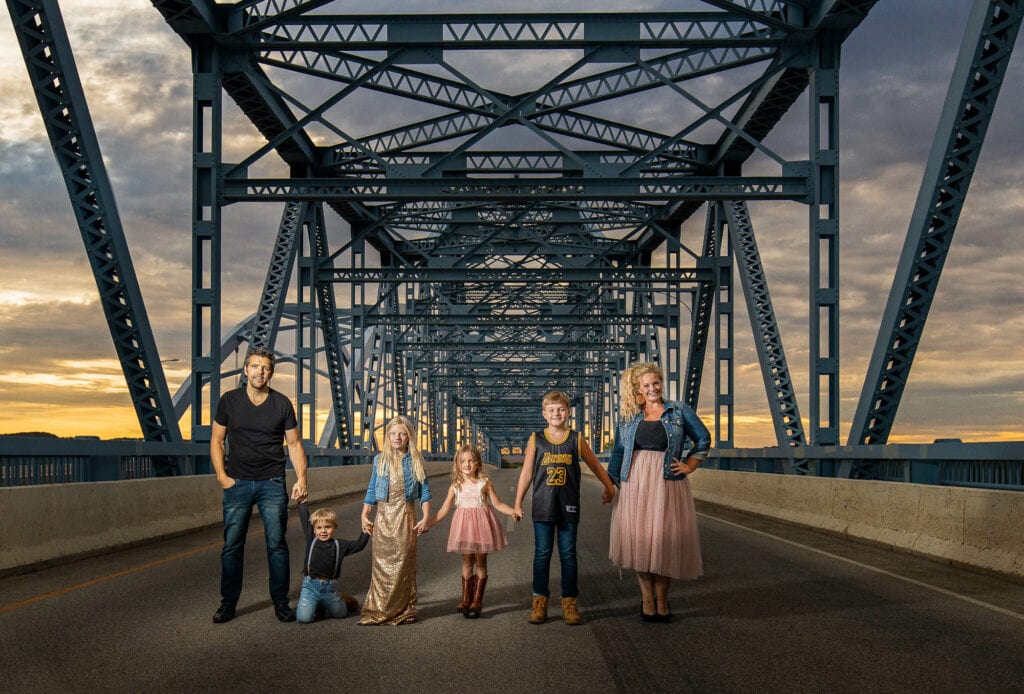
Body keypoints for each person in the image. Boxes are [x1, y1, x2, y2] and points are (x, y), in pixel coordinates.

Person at [210, 346, 308, 624]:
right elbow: (217, 441)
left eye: (265, 368)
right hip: (237, 482)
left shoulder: (281, 404)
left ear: (271, 373)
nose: (260, 372)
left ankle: (280, 603)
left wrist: (302, 478)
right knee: (232, 545)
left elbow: (295, 444)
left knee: (276, 544)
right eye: (255, 366)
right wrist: (222, 476)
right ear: (245, 370)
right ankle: (228, 603)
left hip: (272, 482)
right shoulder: (229, 401)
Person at [607, 361, 711, 623]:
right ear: (638, 389)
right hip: (634, 481)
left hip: (667, 481)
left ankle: (662, 599)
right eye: (646, 385)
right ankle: (646, 599)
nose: (652, 388)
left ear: (661, 383)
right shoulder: (629, 417)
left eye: (656, 383)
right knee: (640, 541)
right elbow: (619, 452)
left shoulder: (678, 411)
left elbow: (704, 438)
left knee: (664, 542)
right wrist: (610, 484)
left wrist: (689, 465)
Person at [513, 390, 616, 626]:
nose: (556, 413)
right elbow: (527, 473)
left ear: (568, 412)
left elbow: (596, 465)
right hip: (542, 506)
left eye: (560, 409)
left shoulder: (576, 439)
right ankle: (539, 601)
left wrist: (609, 486)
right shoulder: (536, 439)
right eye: (551, 410)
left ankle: (569, 601)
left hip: (568, 506)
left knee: (568, 555)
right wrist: (517, 503)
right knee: (542, 554)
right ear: (544, 414)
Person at [358, 415, 432, 625]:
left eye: (402, 433)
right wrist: (365, 514)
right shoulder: (379, 460)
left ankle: (405, 610)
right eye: (393, 433)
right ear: (387, 436)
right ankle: (379, 609)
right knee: (381, 565)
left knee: (404, 565)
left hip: (406, 517)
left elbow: (425, 493)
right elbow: (372, 489)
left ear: (409, 437)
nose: (397, 437)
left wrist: (426, 517)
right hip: (383, 518)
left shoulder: (417, 460)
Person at [428, 444, 515, 618]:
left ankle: (477, 601)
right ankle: (465, 599)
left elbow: (497, 504)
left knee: (481, 562)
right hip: (464, 528)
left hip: (483, 527)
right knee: (467, 561)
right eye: (463, 461)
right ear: (458, 464)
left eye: (471, 461)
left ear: (477, 463)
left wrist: (513, 511)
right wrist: (428, 524)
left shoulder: (485, 483)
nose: (467, 464)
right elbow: (444, 509)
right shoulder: (455, 486)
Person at [295, 502, 369, 624]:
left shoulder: (340, 545)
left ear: (334, 527)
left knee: (340, 614)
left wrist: (366, 530)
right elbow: (304, 517)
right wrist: (302, 501)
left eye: (327, 527)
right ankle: (317, 603)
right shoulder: (311, 539)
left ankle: (341, 601)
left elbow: (358, 546)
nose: (323, 531)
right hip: (310, 587)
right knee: (304, 619)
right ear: (313, 529)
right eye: (319, 528)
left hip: (329, 588)